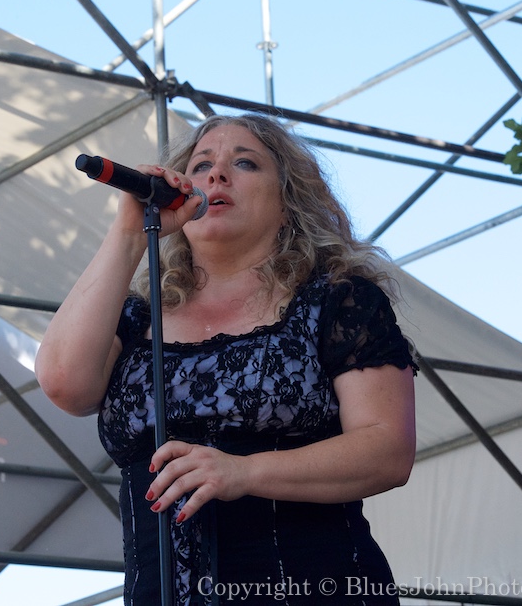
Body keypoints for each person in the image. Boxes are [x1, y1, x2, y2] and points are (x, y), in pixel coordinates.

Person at [36, 112, 417, 605]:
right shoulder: (135, 317)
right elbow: (65, 383)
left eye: (245, 163)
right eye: (201, 166)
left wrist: (243, 472)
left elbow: (387, 451)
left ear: (287, 201)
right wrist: (131, 232)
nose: (216, 175)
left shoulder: (337, 300)